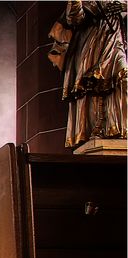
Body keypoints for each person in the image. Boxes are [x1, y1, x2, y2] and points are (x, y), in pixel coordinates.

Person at [49, 0, 127, 148]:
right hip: (93, 43)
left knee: (124, 78)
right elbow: (75, 18)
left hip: (117, 40)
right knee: (94, 84)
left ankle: (118, 128)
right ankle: (97, 129)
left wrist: (125, 7)